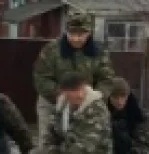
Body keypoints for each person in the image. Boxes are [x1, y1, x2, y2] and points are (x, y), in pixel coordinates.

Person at [31, 10, 116, 144]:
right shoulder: (51, 50)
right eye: (72, 34)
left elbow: (107, 78)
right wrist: (62, 94)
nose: (76, 38)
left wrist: (95, 95)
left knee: (86, 145)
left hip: (86, 103)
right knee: (49, 143)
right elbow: (41, 77)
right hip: (53, 102)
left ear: (89, 33)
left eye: (81, 34)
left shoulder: (99, 52)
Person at [26, 71, 112, 154]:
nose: (80, 95)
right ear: (64, 93)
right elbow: (51, 136)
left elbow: (84, 147)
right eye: (74, 92)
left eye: (81, 90)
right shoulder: (62, 107)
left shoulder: (97, 110)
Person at [107, 77, 149, 154]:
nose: (120, 101)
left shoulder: (137, 115)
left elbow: (142, 145)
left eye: (123, 97)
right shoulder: (102, 114)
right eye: (115, 97)